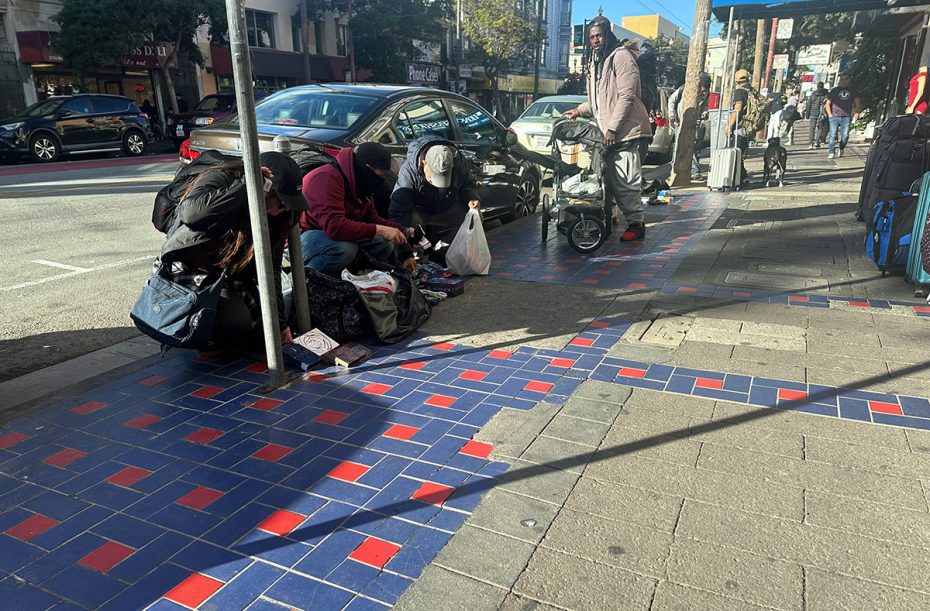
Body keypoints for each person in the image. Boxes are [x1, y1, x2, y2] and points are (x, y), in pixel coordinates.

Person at [158, 151, 307, 351]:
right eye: (282, 202)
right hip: (190, 267)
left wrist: (280, 325)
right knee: (234, 321)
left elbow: (271, 270)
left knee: (261, 328)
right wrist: (247, 185)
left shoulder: (280, 216)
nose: (286, 210)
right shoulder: (225, 178)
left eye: (291, 205)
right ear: (265, 187)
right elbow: (191, 214)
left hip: (227, 272)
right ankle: (199, 337)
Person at [564, 17, 652, 241]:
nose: (595, 40)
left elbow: (627, 96)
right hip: (610, 133)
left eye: (599, 36)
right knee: (607, 178)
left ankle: (636, 223)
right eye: (592, 37)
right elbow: (599, 101)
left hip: (628, 132)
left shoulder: (621, 56)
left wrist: (612, 128)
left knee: (625, 180)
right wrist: (579, 110)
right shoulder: (596, 62)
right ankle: (610, 216)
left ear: (608, 35)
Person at [300, 142, 415, 276]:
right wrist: (380, 229)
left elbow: (372, 219)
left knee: (383, 243)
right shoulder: (325, 178)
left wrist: (403, 231)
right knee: (346, 249)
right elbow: (334, 227)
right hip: (306, 235)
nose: (383, 180)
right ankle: (305, 280)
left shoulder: (360, 183)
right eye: (381, 174)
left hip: (333, 233)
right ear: (367, 168)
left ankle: (359, 276)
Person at [389, 135, 481, 250]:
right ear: (424, 163)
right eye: (434, 177)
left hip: (446, 208)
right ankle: (417, 256)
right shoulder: (408, 172)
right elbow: (399, 211)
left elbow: (467, 183)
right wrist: (404, 251)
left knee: (474, 216)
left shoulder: (458, 161)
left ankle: (441, 251)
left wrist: (472, 198)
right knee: (407, 224)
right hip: (421, 211)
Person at [668, 73, 712, 181]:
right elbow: (672, 100)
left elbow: (705, 105)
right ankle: (678, 170)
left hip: (696, 122)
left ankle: (693, 172)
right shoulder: (684, 88)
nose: (703, 92)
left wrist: (704, 112)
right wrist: (672, 114)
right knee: (679, 146)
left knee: (695, 148)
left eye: (705, 90)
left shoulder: (706, 93)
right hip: (681, 121)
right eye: (701, 89)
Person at [725, 69, 757, 185]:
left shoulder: (740, 92)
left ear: (736, 81)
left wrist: (729, 126)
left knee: (735, 154)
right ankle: (742, 177)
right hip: (749, 127)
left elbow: (737, 109)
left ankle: (740, 179)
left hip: (740, 127)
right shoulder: (752, 91)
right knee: (737, 154)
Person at [825, 73, 862, 159]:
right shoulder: (834, 90)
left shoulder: (853, 90)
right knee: (832, 135)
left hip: (846, 116)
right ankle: (831, 152)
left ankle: (841, 148)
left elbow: (858, 103)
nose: (844, 81)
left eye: (846, 79)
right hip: (834, 115)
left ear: (849, 80)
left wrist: (857, 113)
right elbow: (828, 103)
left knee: (845, 135)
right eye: (842, 79)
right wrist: (830, 115)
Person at [805, 81, 829, 149]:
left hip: (813, 113)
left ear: (817, 86)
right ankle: (817, 142)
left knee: (812, 129)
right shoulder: (826, 94)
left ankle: (810, 143)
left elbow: (808, 105)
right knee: (820, 128)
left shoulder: (813, 94)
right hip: (822, 113)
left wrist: (807, 115)